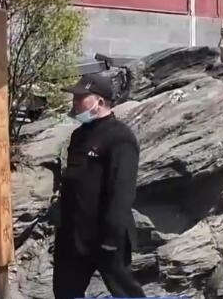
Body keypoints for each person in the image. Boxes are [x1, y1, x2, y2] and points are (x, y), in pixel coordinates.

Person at [53, 73, 145, 299]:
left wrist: (111, 237)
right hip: (74, 235)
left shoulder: (120, 137)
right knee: (65, 292)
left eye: (80, 98)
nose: (75, 102)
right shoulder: (78, 136)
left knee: (126, 292)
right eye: (74, 97)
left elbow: (121, 191)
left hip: (106, 237)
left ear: (100, 102)